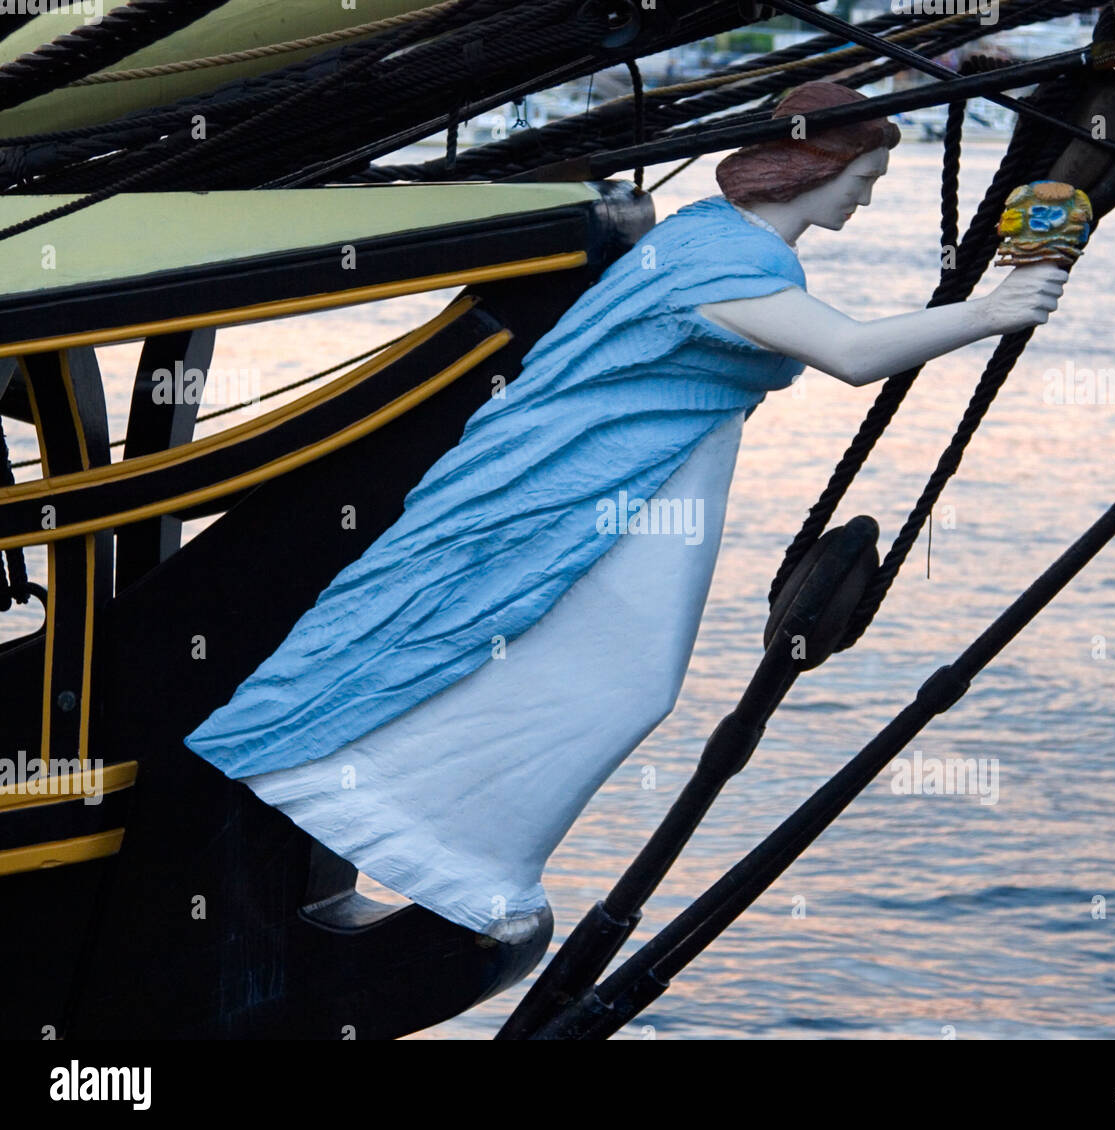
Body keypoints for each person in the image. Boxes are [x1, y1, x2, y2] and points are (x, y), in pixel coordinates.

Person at [184, 82, 1065, 937]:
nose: (866, 202)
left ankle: (446, 845)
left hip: (647, 484)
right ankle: (404, 828)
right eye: (862, 181)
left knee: (608, 674)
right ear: (815, 165)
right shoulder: (716, 258)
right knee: (618, 678)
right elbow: (851, 351)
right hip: (590, 493)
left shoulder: (727, 244)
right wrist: (992, 310)